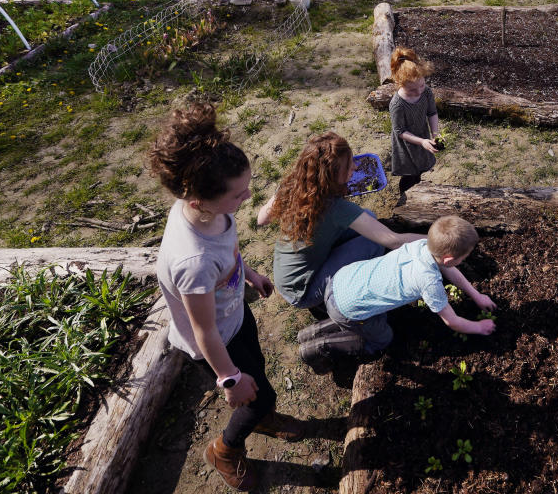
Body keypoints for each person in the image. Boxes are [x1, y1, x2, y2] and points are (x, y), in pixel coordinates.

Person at [149, 101, 303, 492]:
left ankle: (260, 412)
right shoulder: (192, 260)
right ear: (198, 200)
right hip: (217, 343)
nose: (248, 197)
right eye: (238, 194)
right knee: (254, 392)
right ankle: (225, 450)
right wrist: (229, 378)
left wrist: (248, 274)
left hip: (234, 318)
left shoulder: (213, 213)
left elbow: (229, 249)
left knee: (260, 375)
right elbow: (203, 332)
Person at [298, 215, 497, 373]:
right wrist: (479, 327)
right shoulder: (428, 281)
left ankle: (310, 332)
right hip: (347, 308)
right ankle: (318, 347)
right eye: (465, 256)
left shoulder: (421, 245)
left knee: (355, 314)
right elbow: (452, 321)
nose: (465, 259)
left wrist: (477, 296)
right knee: (382, 338)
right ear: (449, 258)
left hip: (341, 281)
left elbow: (449, 269)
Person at [257, 132, 423, 317]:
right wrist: (436, 239)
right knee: (374, 243)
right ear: (331, 176)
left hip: (287, 275)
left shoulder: (295, 185)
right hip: (303, 291)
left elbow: (261, 219)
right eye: (349, 165)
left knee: (368, 216)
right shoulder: (336, 208)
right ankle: (333, 299)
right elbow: (394, 241)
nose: (355, 166)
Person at [389, 47, 440, 206]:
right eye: (412, 90)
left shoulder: (426, 93)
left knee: (419, 170)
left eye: (422, 85)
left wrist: (435, 133)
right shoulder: (397, 104)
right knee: (409, 174)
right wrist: (422, 142)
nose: (418, 92)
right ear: (399, 83)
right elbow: (400, 131)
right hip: (406, 143)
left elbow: (432, 113)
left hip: (422, 136)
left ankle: (416, 193)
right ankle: (404, 199)